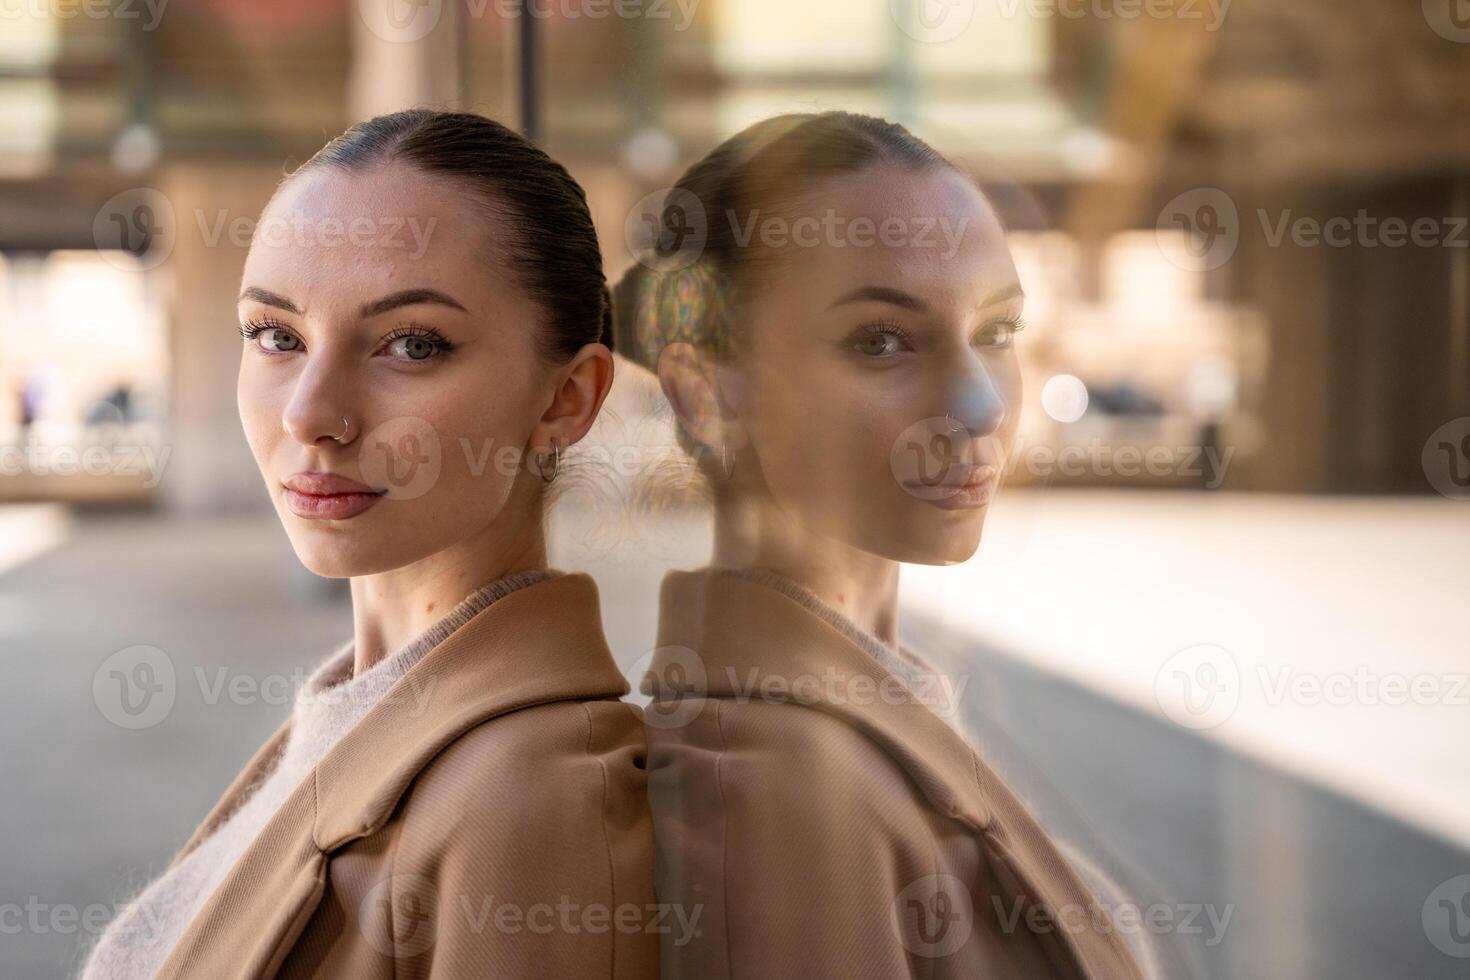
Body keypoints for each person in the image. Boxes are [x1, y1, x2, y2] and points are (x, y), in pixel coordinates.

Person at [82, 109, 657, 979]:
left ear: (566, 399)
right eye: (276, 335)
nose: (310, 415)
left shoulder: (534, 803)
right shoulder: (359, 709)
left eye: (411, 344)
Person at [616, 111, 1153, 979]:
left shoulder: (855, 720)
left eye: (997, 333)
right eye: (883, 339)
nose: (980, 406)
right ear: (703, 391)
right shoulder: (774, 802)